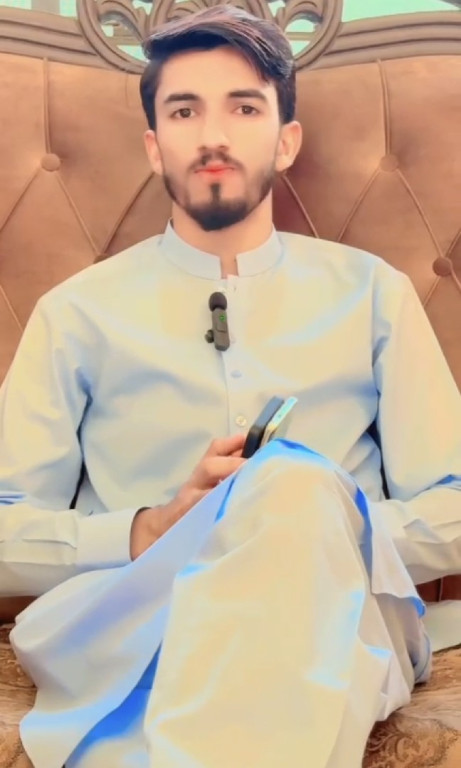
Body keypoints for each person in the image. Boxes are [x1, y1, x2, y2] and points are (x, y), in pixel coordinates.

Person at [1, 5, 460, 768]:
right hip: (142, 624)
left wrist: (313, 527)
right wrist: (152, 529)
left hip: (339, 615)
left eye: (243, 108)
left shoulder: (372, 294)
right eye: (185, 111)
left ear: (285, 140)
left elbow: (453, 503)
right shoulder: (76, 313)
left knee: (291, 487)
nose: (212, 135)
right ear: (155, 146)